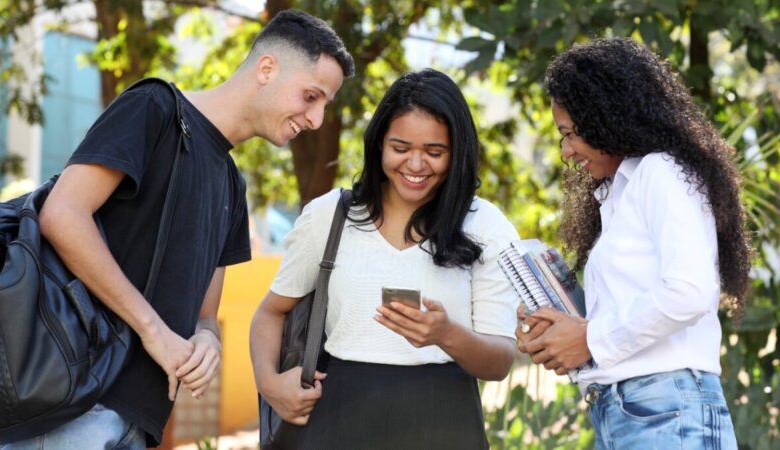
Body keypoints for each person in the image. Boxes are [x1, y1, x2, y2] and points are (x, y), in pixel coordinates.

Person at [1, 10, 354, 450]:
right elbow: (63, 213)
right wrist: (155, 332)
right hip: (72, 407)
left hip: (140, 419)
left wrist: (207, 341)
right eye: (311, 96)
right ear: (267, 68)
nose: (317, 119)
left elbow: (205, 314)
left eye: (324, 105)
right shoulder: (155, 108)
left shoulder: (231, 184)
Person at [250, 68, 518, 449]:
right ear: (379, 145)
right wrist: (271, 384)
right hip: (338, 419)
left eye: (434, 152)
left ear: (457, 153)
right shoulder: (330, 215)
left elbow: (500, 361)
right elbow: (270, 312)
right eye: (401, 148)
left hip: (445, 423)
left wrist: (445, 334)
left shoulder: (485, 224)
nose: (414, 164)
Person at [516, 37, 749, 449]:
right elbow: (630, 306)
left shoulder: (662, 172)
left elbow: (689, 291)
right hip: (629, 411)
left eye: (572, 134)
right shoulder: (618, 193)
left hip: (667, 409)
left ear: (609, 118)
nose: (567, 151)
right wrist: (559, 326)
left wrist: (589, 338)